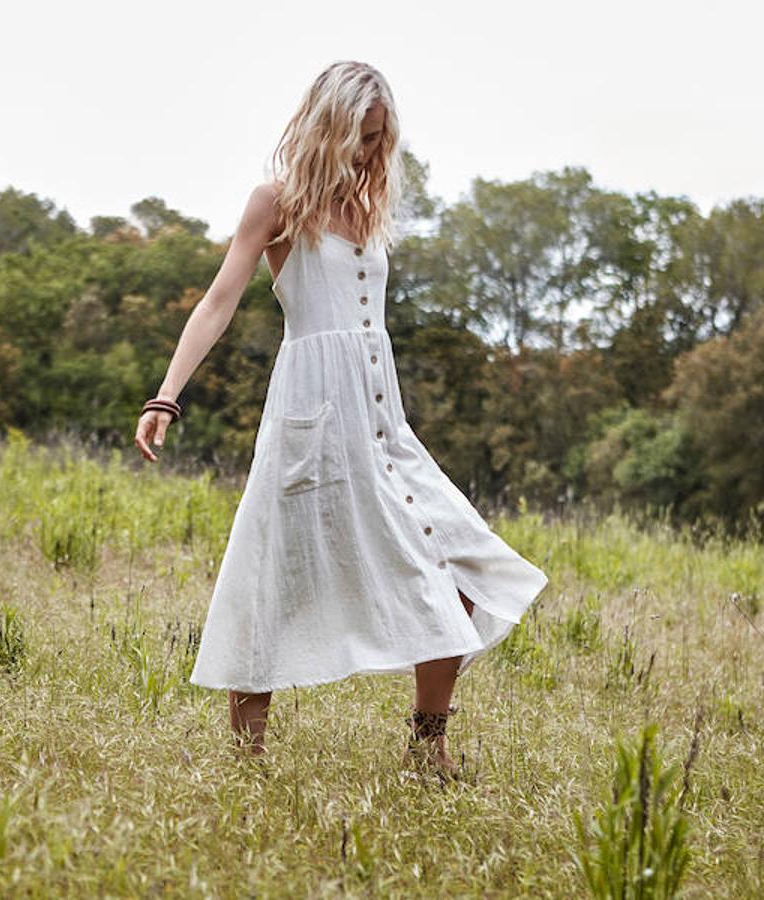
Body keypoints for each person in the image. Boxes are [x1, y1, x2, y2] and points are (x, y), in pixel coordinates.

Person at [135, 60, 549, 782]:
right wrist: (166, 394)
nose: (366, 152)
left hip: (382, 421)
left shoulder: (367, 206)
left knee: (460, 564)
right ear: (327, 124)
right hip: (308, 413)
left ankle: (427, 748)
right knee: (273, 579)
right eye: (359, 136)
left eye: (377, 139)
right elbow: (218, 300)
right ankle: (247, 762)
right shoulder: (277, 203)